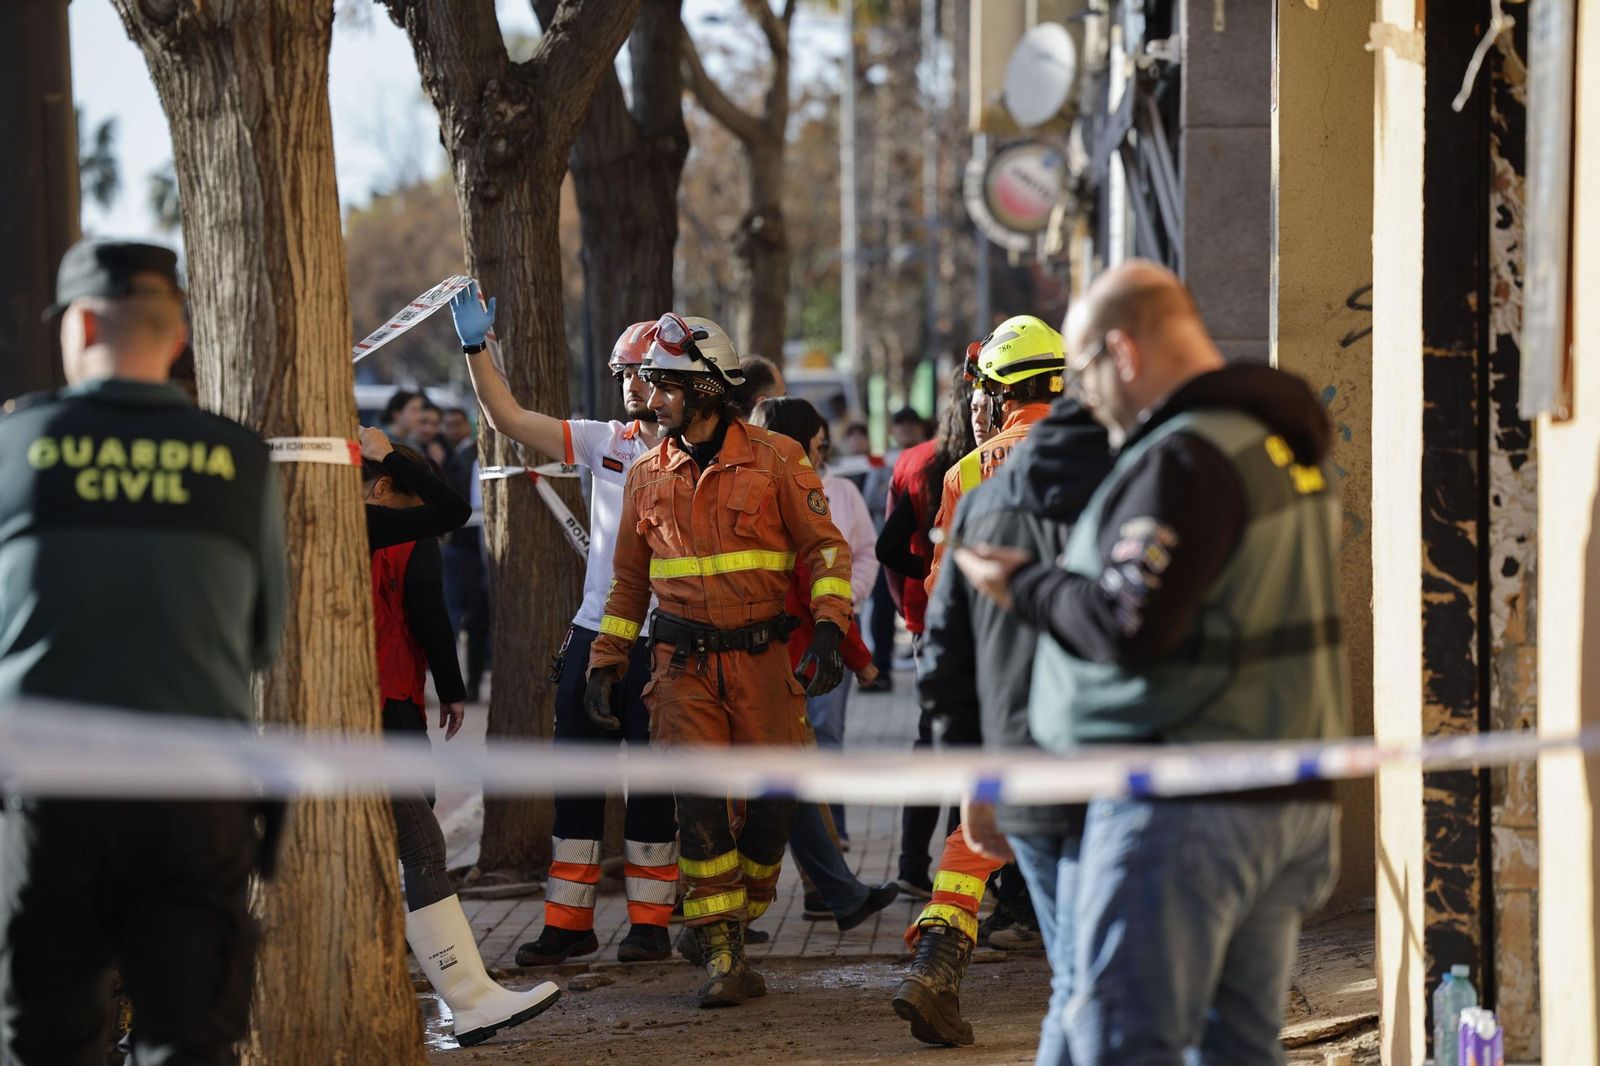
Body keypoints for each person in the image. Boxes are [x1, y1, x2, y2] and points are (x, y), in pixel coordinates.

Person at [956, 260, 1346, 1065]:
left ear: (1124, 354)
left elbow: (1130, 622)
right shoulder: (1271, 444)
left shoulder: (1184, 458)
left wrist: (1020, 582)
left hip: (1182, 801)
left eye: (1087, 373)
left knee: (1120, 1038)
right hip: (1278, 790)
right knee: (1235, 1043)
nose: (1083, 398)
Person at [0, 238, 288, 1065]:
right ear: (176, 335)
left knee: (46, 1041)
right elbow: (262, 639)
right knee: (188, 1041)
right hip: (194, 800)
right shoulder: (237, 458)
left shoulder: (15, 448)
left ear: (82, 321)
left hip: (47, 800)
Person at [587, 313, 854, 1008]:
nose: (649, 396)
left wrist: (829, 631)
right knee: (700, 808)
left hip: (763, 662)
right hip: (681, 669)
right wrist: (606, 658)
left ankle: (733, 911)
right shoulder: (646, 473)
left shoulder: (777, 459)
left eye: (665, 384)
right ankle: (723, 955)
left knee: (773, 805)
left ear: (707, 388)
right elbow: (627, 584)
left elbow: (825, 552)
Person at [448, 291, 679, 965]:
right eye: (625, 375)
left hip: (663, 640)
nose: (632, 386)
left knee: (654, 792)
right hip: (592, 632)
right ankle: (569, 927)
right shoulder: (606, 441)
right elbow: (510, 418)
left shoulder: (700, 456)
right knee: (576, 784)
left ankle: (650, 927)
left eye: (644, 373)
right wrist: (475, 351)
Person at [891, 399, 1112, 1052]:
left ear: (995, 394)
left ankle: (938, 961)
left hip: (1005, 698)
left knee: (973, 839)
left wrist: (959, 736)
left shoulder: (968, 476)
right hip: (1095, 708)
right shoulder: (1129, 466)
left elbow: (941, 601)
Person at [359, 431, 561, 1047]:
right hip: (375, 712)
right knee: (418, 849)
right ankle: (469, 1001)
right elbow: (448, 521)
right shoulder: (367, 525)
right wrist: (391, 452)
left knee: (396, 850)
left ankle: (464, 997)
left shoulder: (321, 522)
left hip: (346, 714)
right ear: (381, 484)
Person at [878, 364, 979, 898]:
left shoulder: (916, 463)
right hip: (987, 624)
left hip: (930, 624)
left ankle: (911, 865)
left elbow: (887, 549)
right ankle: (957, 868)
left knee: (931, 739)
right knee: (975, 746)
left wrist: (911, 603)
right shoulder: (992, 464)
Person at [439, 407, 489, 702]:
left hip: (489, 551)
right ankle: (463, 684)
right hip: (465, 549)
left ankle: (474, 681)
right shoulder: (460, 458)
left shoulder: (474, 454)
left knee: (483, 618)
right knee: (466, 618)